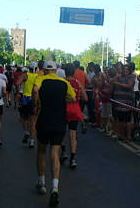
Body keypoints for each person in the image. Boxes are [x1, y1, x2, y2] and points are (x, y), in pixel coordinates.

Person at [33, 61, 76, 207]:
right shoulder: (64, 83)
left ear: (44, 70)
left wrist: (36, 104)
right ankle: (55, 187)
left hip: (44, 119)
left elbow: (34, 90)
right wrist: (62, 101)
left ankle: (41, 181)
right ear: (56, 70)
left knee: (41, 150)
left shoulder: (40, 79)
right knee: (55, 152)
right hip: (59, 120)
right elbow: (74, 98)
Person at [61, 63, 87, 168]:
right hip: (74, 110)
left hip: (63, 109)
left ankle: (63, 152)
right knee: (73, 134)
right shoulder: (78, 83)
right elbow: (86, 98)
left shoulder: (62, 83)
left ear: (65, 72)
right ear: (74, 72)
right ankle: (73, 158)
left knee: (62, 131)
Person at [112, 64, 135, 141]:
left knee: (127, 120)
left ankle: (128, 136)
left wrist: (117, 83)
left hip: (127, 102)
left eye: (127, 69)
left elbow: (129, 85)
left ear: (129, 71)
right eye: (124, 69)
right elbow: (111, 81)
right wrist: (116, 76)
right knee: (120, 120)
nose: (125, 71)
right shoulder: (119, 77)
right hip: (119, 102)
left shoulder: (131, 77)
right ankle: (121, 135)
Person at [20, 62, 38, 148]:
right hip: (34, 99)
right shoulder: (38, 77)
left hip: (25, 98)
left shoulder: (25, 75)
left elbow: (17, 83)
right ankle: (32, 141)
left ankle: (26, 132)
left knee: (25, 117)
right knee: (33, 121)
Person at [73, 60, 90, 133]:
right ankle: (82, 122)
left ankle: (74, 129)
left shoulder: (72, 73)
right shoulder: (84, 73)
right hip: (82, 93)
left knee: (75, 111)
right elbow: (89, 81)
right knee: (79, 110)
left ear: (74, 65)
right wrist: (84, 87)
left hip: (75, 94)